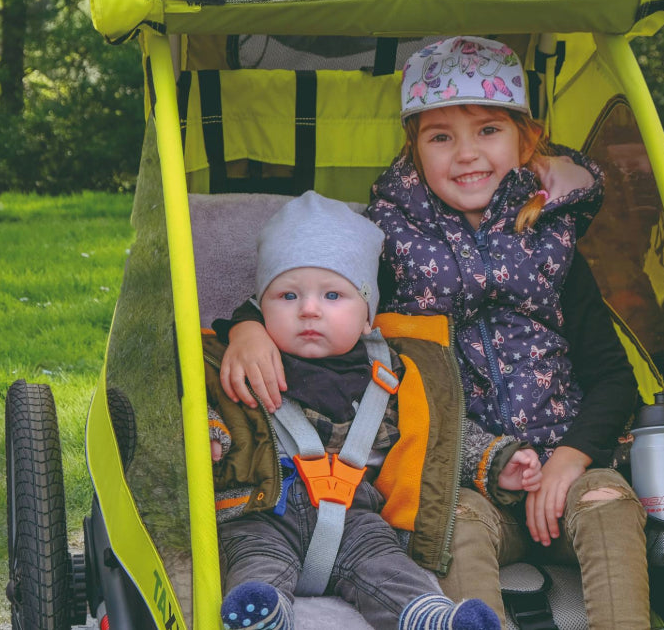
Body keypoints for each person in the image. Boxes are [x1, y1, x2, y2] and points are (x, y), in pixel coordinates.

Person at [218, 36, 651, 628]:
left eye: (489, 130)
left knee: (608, 506)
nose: (466, 153)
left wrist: (570, 461)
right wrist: (246, 328)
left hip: (568, 463)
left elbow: (612, 377)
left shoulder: (555, 246)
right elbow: (314, 291)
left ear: (525, 141)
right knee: (453, 528)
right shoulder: (389, 247)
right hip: (461, 479)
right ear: (415, 150)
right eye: (440, 136)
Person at [203, 191, 515, 630]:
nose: (309, 310)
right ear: (259, 305)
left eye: (333, 295)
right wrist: (210, 434)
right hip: (266, 513)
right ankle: (267, 613)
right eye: (287, 296)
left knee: (388, 565)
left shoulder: (392, 373)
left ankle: (426, 617)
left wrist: (498, 460)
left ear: (369, 315)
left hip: (358, 521)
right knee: (252, 559)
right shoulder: (241, 361)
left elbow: (438, 436)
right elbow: (220, 411)